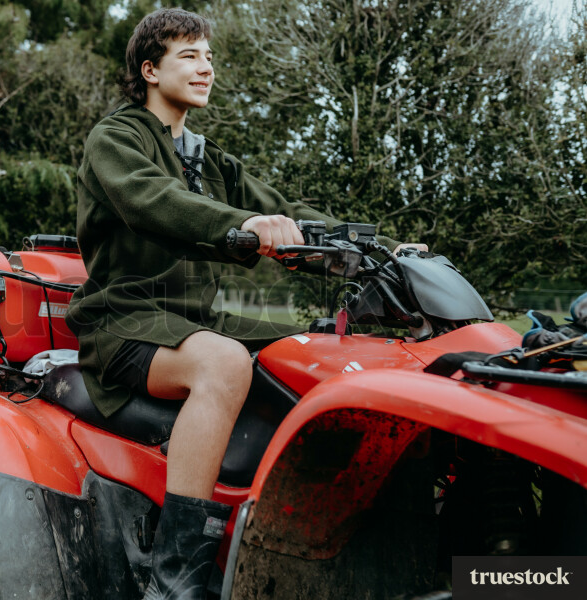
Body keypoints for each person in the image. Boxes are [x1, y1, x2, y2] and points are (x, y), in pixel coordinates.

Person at [65, 8, 426, 599]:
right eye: (190, 55)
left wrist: (381, 252)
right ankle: (175, 574)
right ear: (150, 69)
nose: (206, 67)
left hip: (198, 319)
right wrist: (244, 225)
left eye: (209, 56)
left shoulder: (209, 159)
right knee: (224, 362)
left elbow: (285, 212)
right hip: (124, 322)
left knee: (315, 354)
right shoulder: (117, 139)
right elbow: (150, 201)